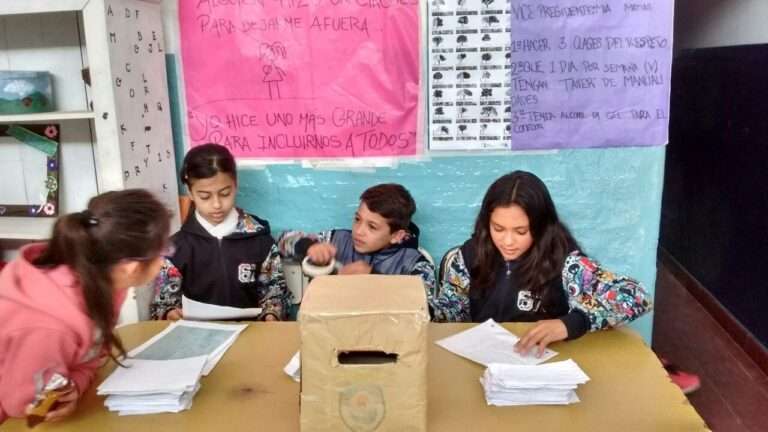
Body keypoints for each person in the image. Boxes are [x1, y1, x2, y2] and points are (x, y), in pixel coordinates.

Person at [429, 171, 652, 356]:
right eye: (498, 229)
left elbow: (635, 296)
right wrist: (424, 310)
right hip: (480, 363)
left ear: (541, 226)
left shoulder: (565, 262)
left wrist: (571, 323)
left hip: (543, 365)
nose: (507, 241)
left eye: (521, 231)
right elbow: (453, 309)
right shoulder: (470, 254)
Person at [0, 189, 172, 424]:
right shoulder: (49, 327)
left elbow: (92, 356)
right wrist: (66, 392)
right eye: (164, 250)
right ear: (130, 267)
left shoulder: (103, 281)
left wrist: (75, 384)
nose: (166, 258)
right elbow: (28, 405)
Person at [149, 143, 290, 321]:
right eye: (205, 196)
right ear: (190, 193)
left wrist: (272, 314)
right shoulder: (175, 248)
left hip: (252, 337)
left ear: (235, 185)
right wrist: (169, 313)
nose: (216, 205)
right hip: (197, 339)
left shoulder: (260, 240)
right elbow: (163, 303)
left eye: (224, 193)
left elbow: (275, 293)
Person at [278, 183, 436, 293]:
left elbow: (424, 308)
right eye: (357, 219)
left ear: (396, 236)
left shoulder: (415, 264)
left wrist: (374, 277)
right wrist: (308, 246)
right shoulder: (336, 240)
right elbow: (283, 240)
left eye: (372, 227)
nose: (359, 231)